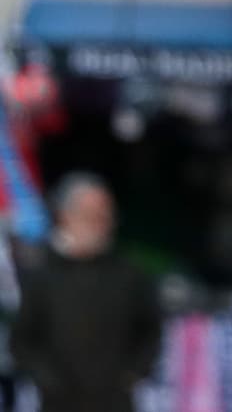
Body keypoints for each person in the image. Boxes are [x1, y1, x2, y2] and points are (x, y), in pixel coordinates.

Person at [10, 173, 161, 412]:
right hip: (59, 403)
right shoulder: (42, 274)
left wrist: (133, 373)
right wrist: (47, 380)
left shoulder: (129, 273)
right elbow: (22, 341)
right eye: (89, 215)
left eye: (104, 216)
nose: (99, 223)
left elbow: (151, 330)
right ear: (65, 216)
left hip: (114, 401)